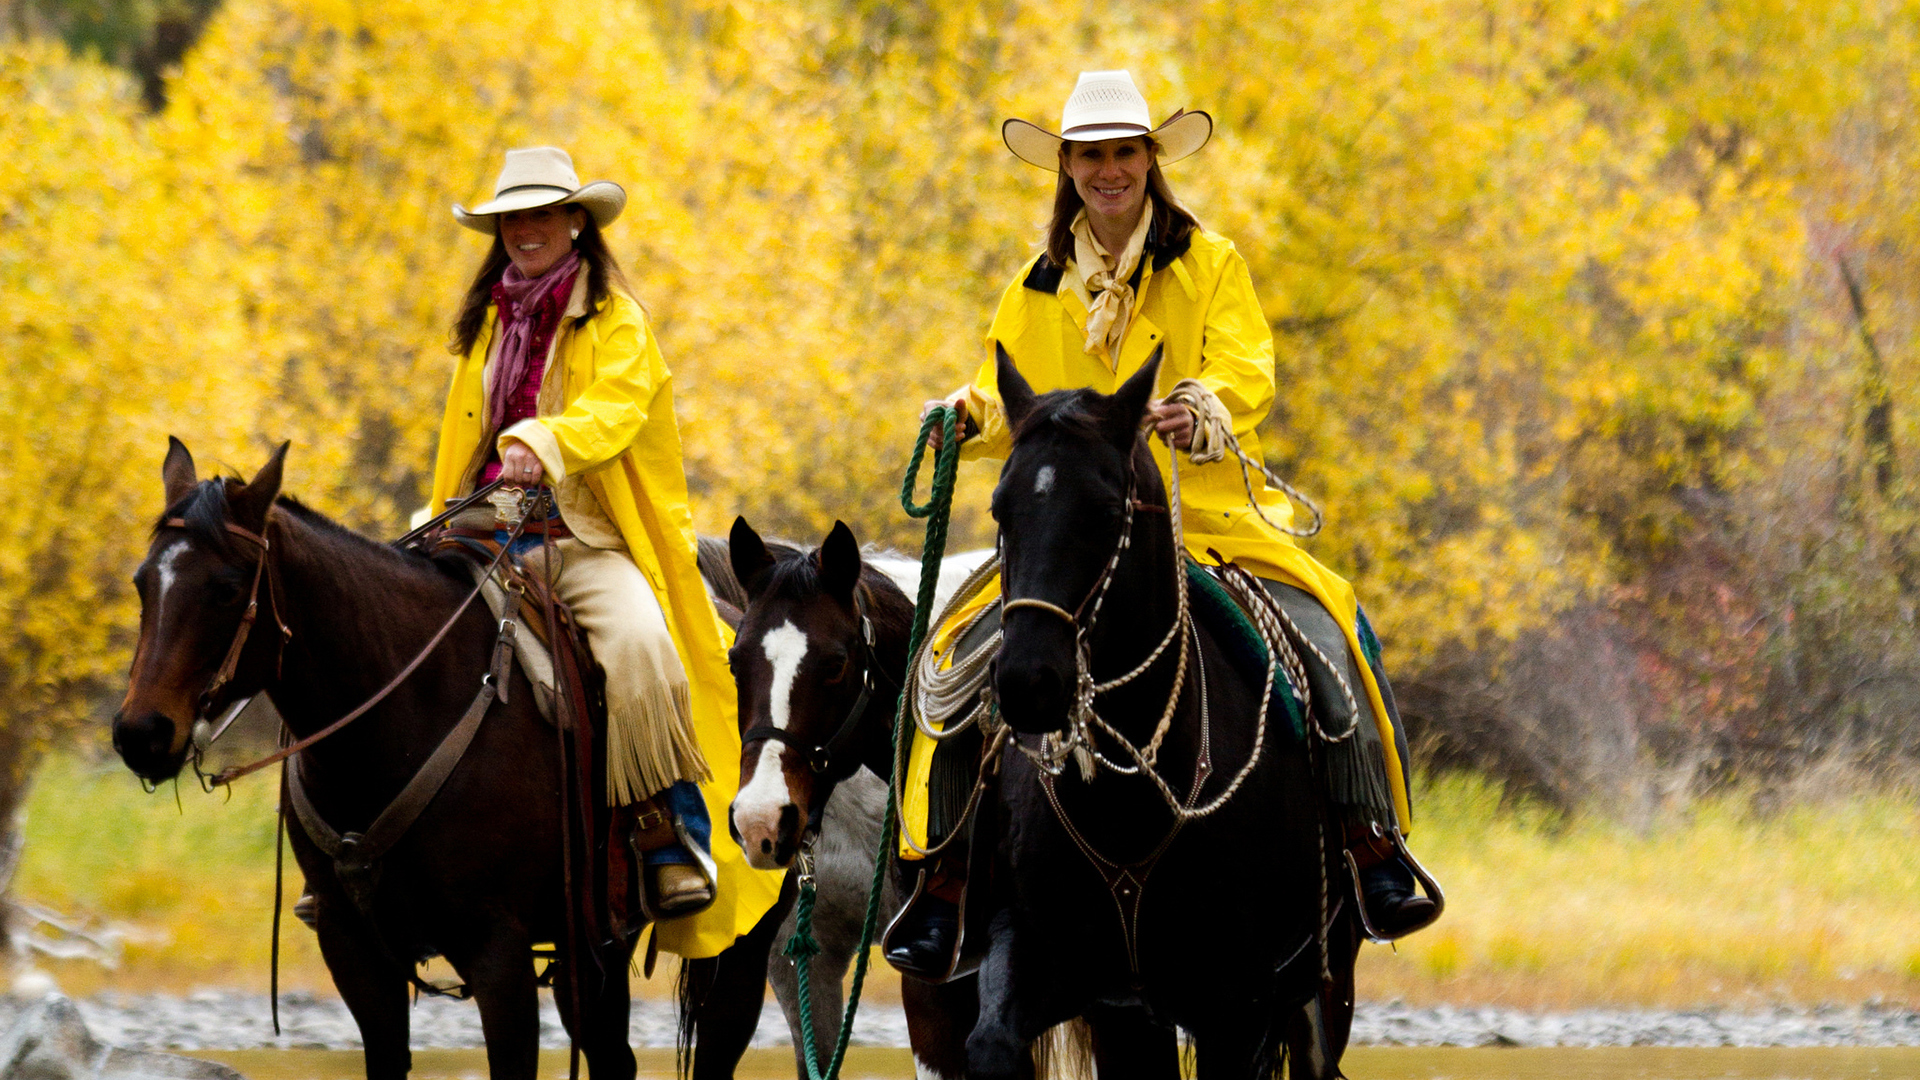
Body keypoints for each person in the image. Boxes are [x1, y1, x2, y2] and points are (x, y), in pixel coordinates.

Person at [885, 72, 1436, 977]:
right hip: (1070, 537)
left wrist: (1206, 404)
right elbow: (1007, 395)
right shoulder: (1033, 287)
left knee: (1328, 639)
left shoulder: (1208, 262)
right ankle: (942, 877)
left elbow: (1247, 365)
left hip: (1205, 518)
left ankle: (1368, 846)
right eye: (1092, 155)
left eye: (1125, 152)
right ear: (1067, 166)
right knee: (947, 663)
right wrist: (965, 415)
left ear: (1151, 160)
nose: (1110, 171)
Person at [426, 146, 781, 956]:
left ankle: (669, 832)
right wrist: (446, 509)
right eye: (513, 217)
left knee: (642, 644)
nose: (526, 230)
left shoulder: (618, 321)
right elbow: (457, 435)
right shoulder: (485, 323)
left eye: (543, 214)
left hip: (579, 537)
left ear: (577, 221)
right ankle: (363, 857)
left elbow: (615, 413)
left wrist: (543, 440)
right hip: (479, 531)